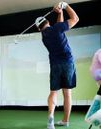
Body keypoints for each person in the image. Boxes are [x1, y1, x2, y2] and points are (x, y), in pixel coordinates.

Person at [35, 1, 79, 129]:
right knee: (67, 93)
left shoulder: (44, 36)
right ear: (48, 22)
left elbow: (59, 25)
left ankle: (50, 118)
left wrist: (60, 13)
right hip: (67, 63)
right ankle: (65, 121)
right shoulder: (57, 29)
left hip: (55, 65)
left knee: (53, 92)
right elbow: (75, 18)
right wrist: (65, 6)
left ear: (39, 28)